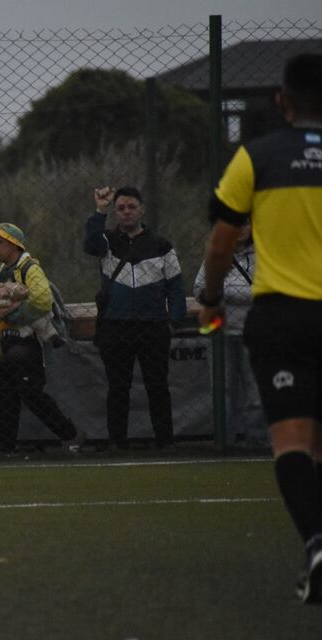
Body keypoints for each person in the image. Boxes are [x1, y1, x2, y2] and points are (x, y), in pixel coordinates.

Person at [198, 53, 322, 603]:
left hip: (284, 317)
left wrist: (210, 301)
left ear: (281, 100)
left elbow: (220, 244)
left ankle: (317, 545)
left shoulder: (258, 156)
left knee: (292, 441)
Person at [83, 185, 186, 449]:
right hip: (115, 326)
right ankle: (117, 442)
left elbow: (176, 287)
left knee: (157, 386)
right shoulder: (107, 242)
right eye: (120, 208)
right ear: (115, 213)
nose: (126, 212)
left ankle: (165, 441)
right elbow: (90, 244)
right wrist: (99, 211)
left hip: (153, 326)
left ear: (142, 210)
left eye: (131, 207)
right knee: (118, 387)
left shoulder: (162, 245)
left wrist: (174, 321)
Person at [0, 223, 83, 455]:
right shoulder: (2, 271)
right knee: (2, 396)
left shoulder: (29, 268)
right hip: (2, 343)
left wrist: (15, 315)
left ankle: (71, 435)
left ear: (14, 245)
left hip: (25, 344)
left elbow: (42, 300)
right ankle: (5, 447)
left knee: (31, 394)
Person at [193, 223, 267, 448]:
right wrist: (242, 293)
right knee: (222, 391)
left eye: (245, 224)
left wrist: (223, 292)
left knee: (256, 392)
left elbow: (267, 291)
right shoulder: (217, 255)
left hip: (254, 335)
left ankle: (257, 442)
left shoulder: (262, 256)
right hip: (221, 335)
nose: (241, 229)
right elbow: (199, 289)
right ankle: (224, 442)